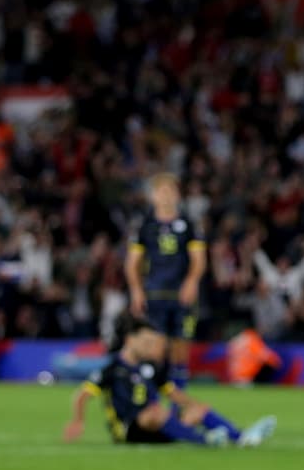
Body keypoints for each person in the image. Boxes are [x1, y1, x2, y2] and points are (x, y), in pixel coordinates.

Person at [62, 316, 275, 447]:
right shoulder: (112, 368)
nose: (149, 346)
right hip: (129, 430)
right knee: (153, 411)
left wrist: (195, 408)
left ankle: (241, 438)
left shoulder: (151, 368)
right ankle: (206, 441)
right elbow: (82, 395)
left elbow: (173, 394)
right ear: (129, 340)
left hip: (158, 423)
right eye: (145, 342)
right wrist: (77, 421)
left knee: (195, 410)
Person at [125, 173, 206, 389]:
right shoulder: (144, 225)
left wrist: (191, 282)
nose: (166, 196)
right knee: (154, 348)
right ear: (153, 197)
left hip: (180, 293)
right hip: (154, 293)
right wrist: (136, 290)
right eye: (162, 192)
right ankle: (150, 402)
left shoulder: (189, 224)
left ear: (178, 195)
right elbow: (132, 263)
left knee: (180, 349)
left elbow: (198, 260)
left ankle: (178, 406)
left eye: (171, 191)